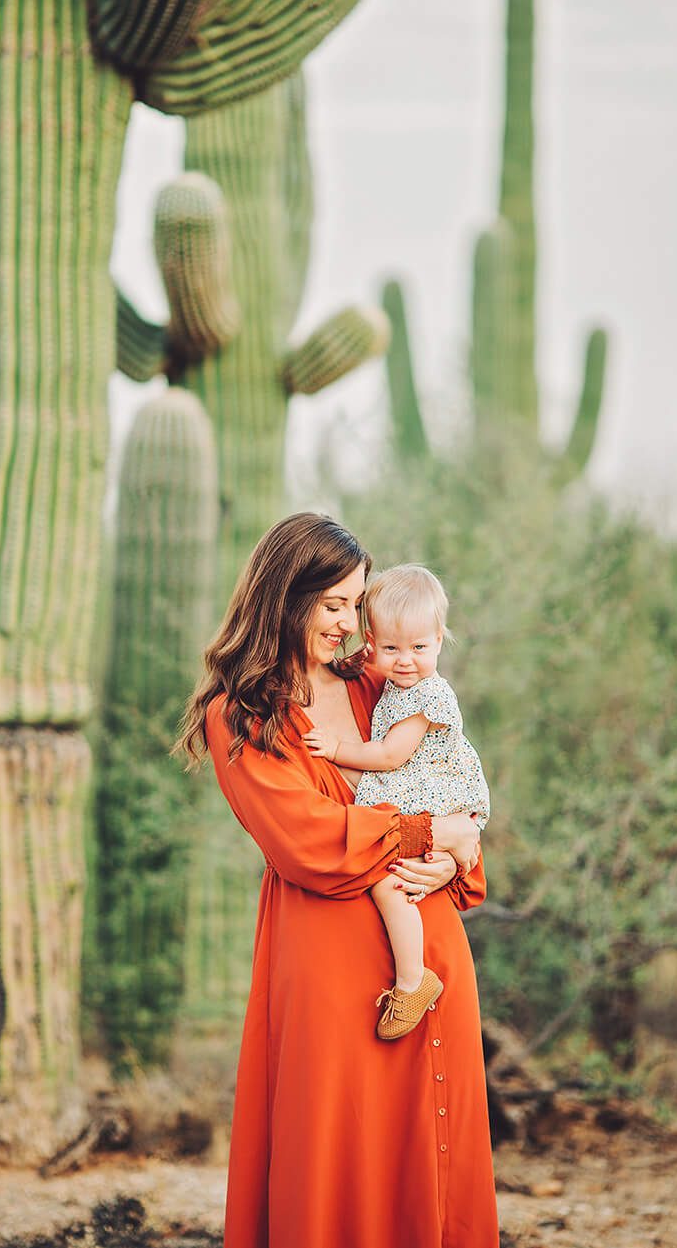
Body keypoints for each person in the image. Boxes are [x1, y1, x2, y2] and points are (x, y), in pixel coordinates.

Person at [175, 513, 500, 1248]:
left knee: (432, 1171)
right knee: (338, 1165)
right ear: (285, 597)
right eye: (332, 606)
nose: (349, 623)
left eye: (356, 605)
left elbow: (449, 790)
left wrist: (457, 846)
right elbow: (309, 843)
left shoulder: (378, 686)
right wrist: (428, 833)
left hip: (430, 954)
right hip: (330, 973)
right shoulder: (243, 716)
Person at [301, 563, 493, 1039]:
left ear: (440, 640)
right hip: (422, 807)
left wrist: (337, 749)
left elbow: (389, 755)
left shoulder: (426, 695)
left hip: (430, 798)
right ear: (371, 642)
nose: (405, 660)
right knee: (397, 879)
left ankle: (412, 981)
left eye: (420, 648)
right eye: (391, 648)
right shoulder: (385, 684)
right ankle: (412, 976)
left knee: (389, 885)